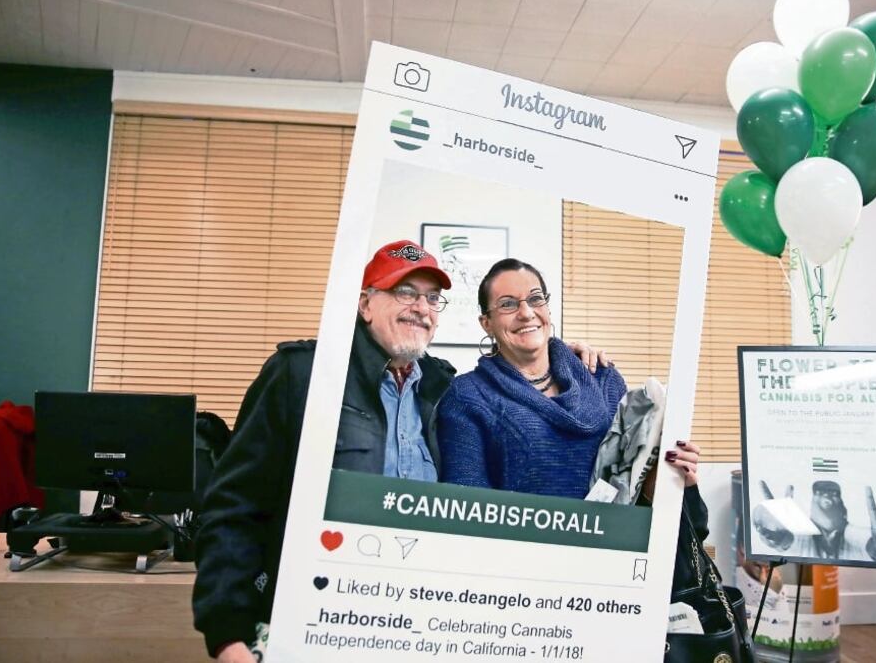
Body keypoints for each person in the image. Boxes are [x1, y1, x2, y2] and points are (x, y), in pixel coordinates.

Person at [193, 242, 607, 662]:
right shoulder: (302, 374)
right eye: (405, 292)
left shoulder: (443, 387)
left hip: (409, 627)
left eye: (432, 297)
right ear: (365, 304)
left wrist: (565, 359)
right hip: (308, 622)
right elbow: (232, 507)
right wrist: (228, 637)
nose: (421, 308)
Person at [435, 257, 707, 595]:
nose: (526, 312)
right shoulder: (466, 397)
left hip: (617, 579)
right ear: (486, 323)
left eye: (535, 299)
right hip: (525, 586)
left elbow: (632, 492)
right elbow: (466, 511)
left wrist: (670, 475)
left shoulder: (604, 378)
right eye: (507, 304)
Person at [752, 479, 876, 562]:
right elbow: (784, 542)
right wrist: (773, 531)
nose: (827, 496)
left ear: (844, 509)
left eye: (834, 494)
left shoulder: (853, 534)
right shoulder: (801, 534)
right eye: (820, 493)